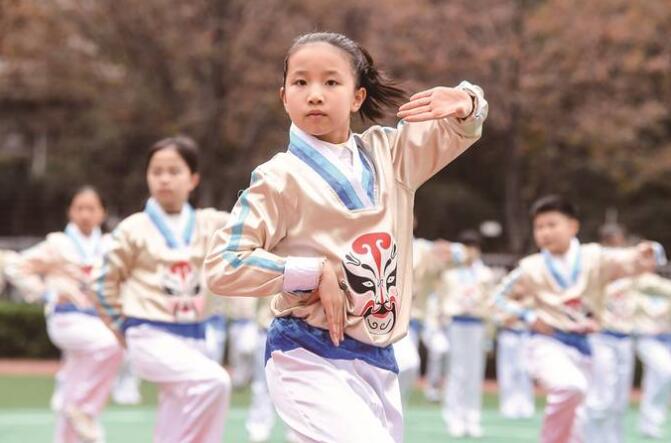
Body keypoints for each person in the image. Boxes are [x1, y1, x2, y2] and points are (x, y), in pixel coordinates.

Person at [205, 31, 487, 442]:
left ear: (357, 96)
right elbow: (224, 264)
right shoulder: (277, 178)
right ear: (284, 97)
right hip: (307, 354)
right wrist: (310, 272)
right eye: (301, 83)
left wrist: (468, 102)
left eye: (331, 82)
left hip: (378, 358)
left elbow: (462, 127)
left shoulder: (391, 155)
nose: (314, 95)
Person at [494, 194, 666, 443]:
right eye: (539, 227)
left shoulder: (594, 257)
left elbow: (634, 259)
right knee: (570, 387)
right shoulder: (529, 267)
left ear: (573, 226)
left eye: (552, 225)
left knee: (584, 416)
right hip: (547, 343)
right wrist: (528, 316)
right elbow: (497, 299)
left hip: (588, 347)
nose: (544, 232)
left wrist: (649, 250)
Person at [94, 136, 231, 443]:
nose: (164, 179)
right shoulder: (133, 228)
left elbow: (254, 226)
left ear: (193, 179)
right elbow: (102, 283)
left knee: (175, 412)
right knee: (215, 382)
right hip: (149, 333)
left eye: (174, 171)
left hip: (196, 335)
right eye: (156, 172)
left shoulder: (210, 224)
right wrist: (121, 328)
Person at [8, 186, 123, 443]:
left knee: (70, 386)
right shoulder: (57, 244)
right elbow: (16, 265)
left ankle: (73, 425)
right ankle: (85, 408)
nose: (85, 214)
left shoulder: (108, 246)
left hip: (97, 321)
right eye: (80, 208)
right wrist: (44, 292)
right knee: (112, 345)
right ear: (70, 211)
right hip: (67, 319)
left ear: (102, 213)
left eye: (92, 208)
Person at [437, 230, 496, 437]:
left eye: (473, 247)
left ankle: (472, 417)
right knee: (457, 372)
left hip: (477, 325)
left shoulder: (486, 275)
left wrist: (490, 335)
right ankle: (453, 416)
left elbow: (491, 306)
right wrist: (439, 330)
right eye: (466, 247)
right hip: (456, 324)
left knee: (474, 372)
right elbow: (441, 302)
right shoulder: (450, 274)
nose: (470, 252)